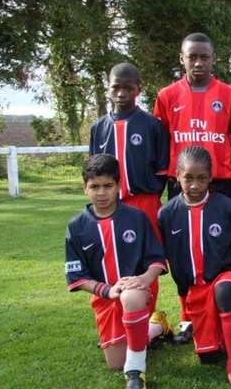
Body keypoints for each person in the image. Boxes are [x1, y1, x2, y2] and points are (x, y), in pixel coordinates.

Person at [153, 32, 231, 344]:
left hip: (221, 183)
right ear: (182, 58)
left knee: (223, 249)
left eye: (204, 56)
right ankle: (187, 318)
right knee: (183, 253)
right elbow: (161, 139)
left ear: (213, 59)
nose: (198, 62)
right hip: (182, 184)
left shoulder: (230, 95)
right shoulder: (166, 96)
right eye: (192, 56)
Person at [64, 154, 167, 388]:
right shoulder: (77, 227)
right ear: (85, 188)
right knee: (114, 363)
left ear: (119, 186)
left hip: (137, 291)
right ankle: (157, 326)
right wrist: (108, 290)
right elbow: (77, 277)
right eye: (95, 186)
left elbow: (156, 260)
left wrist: (144, 278)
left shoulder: (136, 218)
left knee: (130, 296)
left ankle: (135, 372)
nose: (101, 192)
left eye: (108, 186)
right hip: (105, 298)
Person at [89, 63, 173, 344]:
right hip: (108, 207)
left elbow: (162, 170)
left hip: (144, 202)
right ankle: (118, 323)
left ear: (139, 88)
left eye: (128, 87)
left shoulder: (152, 125)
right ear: (109, 88)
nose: (122, 93)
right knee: (111, 261)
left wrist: (148, 199)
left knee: (147, 262)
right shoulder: (98, 127)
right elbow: (93, 171)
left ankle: (147, 323)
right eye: (116, 87)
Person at [157, 146, 231, 388]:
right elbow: (171, 258)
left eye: (201, 178)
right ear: (177, 176)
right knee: (209, 356)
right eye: (188, 177)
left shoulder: (227, 207)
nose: (195, 185)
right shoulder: (166, 214)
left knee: (223, 291)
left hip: (227, 276)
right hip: (196, 291)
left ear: (210, 177)